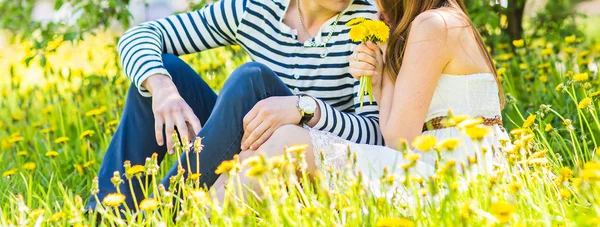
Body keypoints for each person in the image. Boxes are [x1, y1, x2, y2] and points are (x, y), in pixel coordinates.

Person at [88, 0, 384, 210]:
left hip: (303, 162)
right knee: (162, 70)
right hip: (245, 138)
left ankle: (163, 211)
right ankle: (108, 213)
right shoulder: (256, 9)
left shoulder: (368, 24)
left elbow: (376, 136)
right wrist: (163, 90)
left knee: (251, 79)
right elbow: (139, 36)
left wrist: (304, 109)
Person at [213, 0, 509, 199]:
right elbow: (396, 132)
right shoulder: (440, 20)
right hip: (441, 163)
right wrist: (380, 77)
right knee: (280, 143)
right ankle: (193, 212)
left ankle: (192, 213)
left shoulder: (433, 25)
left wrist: (386, 61)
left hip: (452, 175)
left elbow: (398, 140)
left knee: (288, 142)